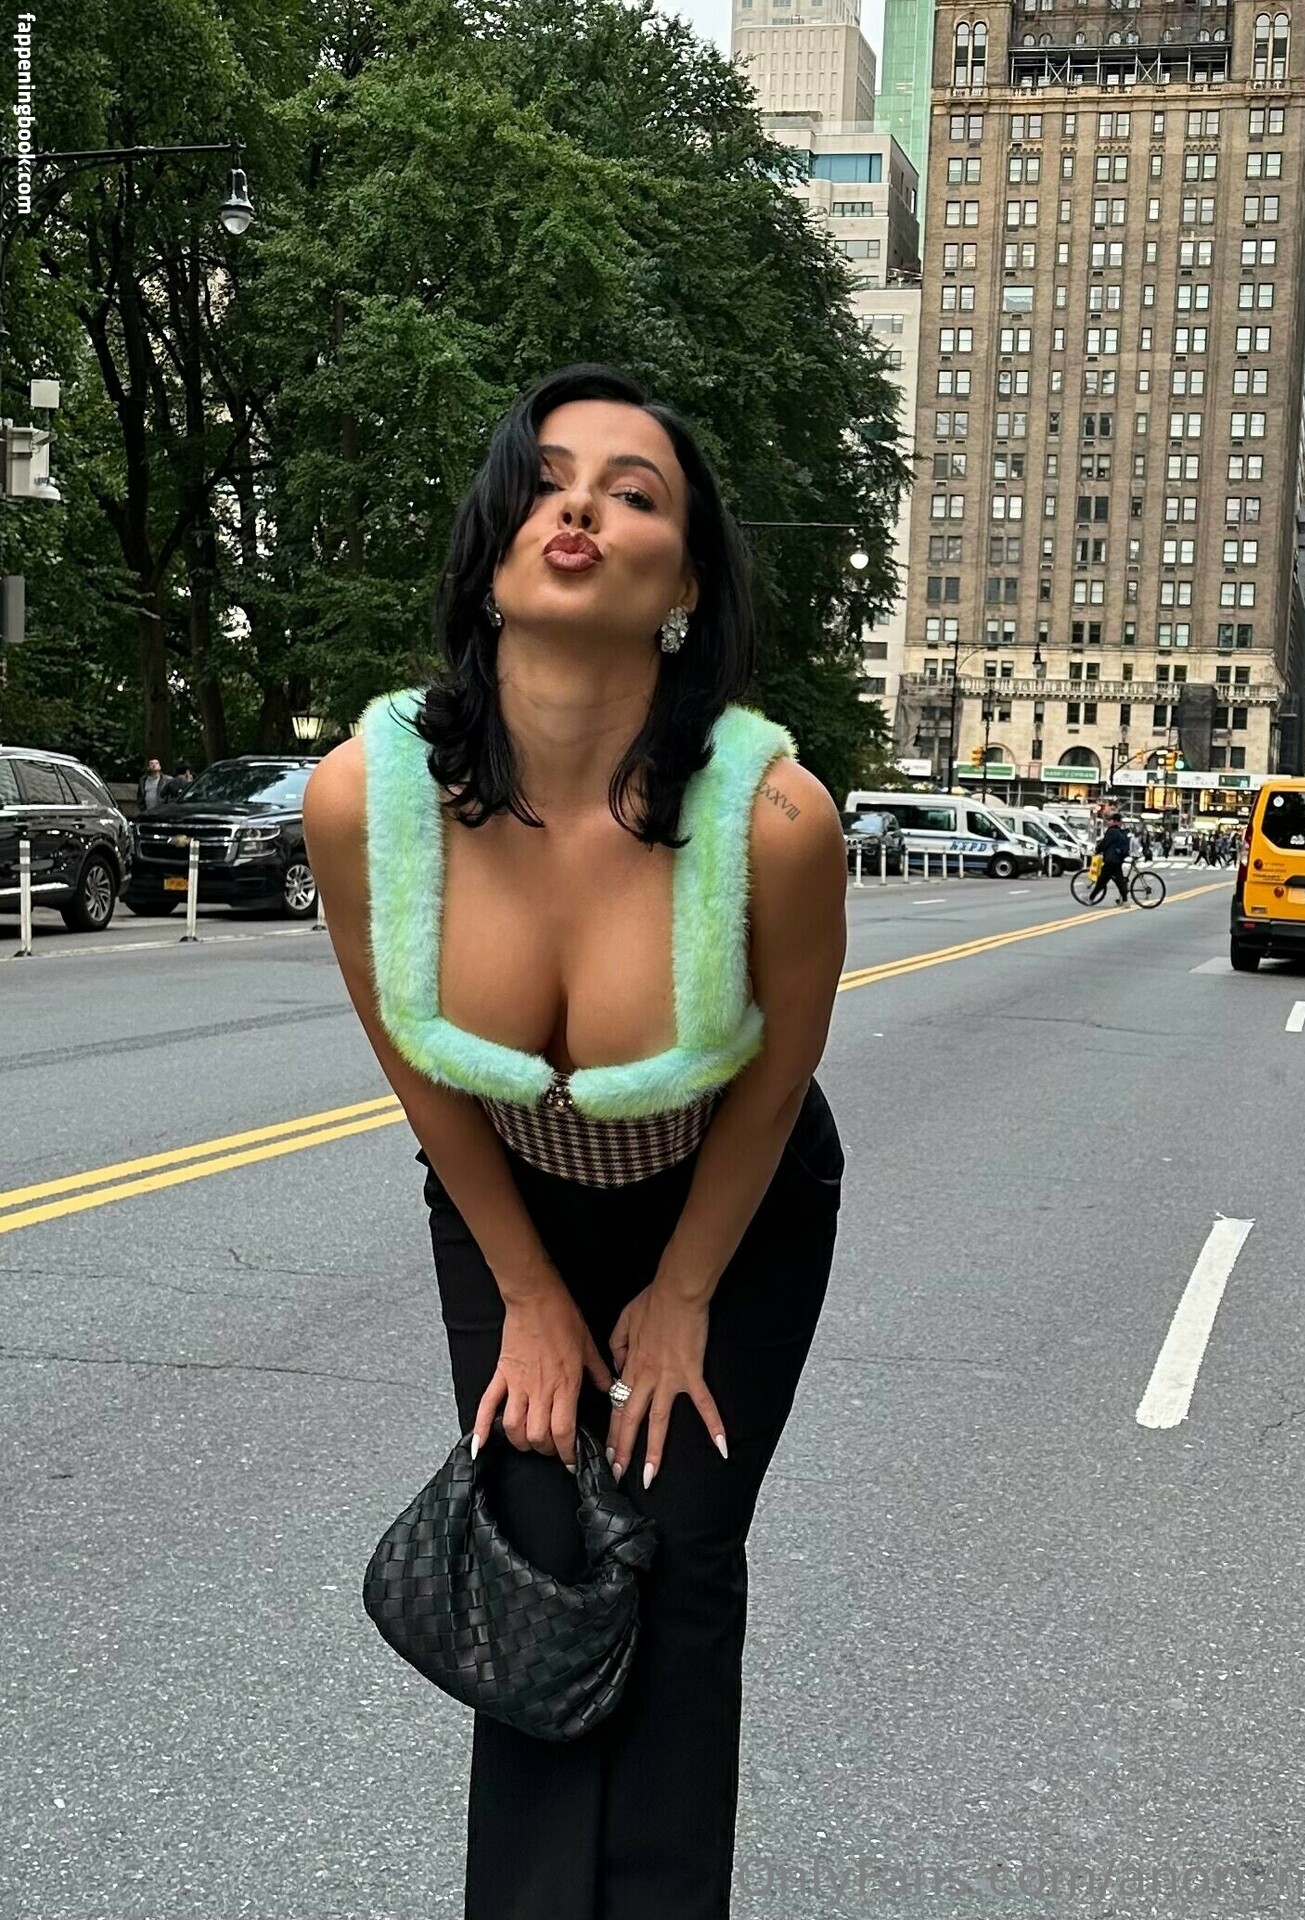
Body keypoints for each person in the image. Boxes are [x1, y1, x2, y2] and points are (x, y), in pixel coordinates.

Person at [304, 363, 849, 1920]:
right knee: (538, 1556)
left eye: (634, 492)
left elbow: (778, 1075)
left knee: (677, 1554)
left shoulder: (776, 822)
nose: (582, 509)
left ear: (684, 587)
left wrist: (681, 1294)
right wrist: (530, 1294)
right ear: (491, 552)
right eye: (545, 482)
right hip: (508, 1204)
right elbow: (415, 1061)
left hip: (730, 1206)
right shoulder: (365, 798)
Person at [1089, 809, 1131, 904]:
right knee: (1119, 881)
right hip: (1117, 859)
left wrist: (1097, 851)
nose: (1108, 822)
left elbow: (1105, 843)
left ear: (1115, 821)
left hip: (1110, 860)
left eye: (1110, 820)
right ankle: (1125, 900)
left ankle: (1091, 898)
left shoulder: (1111, 831)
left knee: (1102, 881)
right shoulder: (1121, 832)